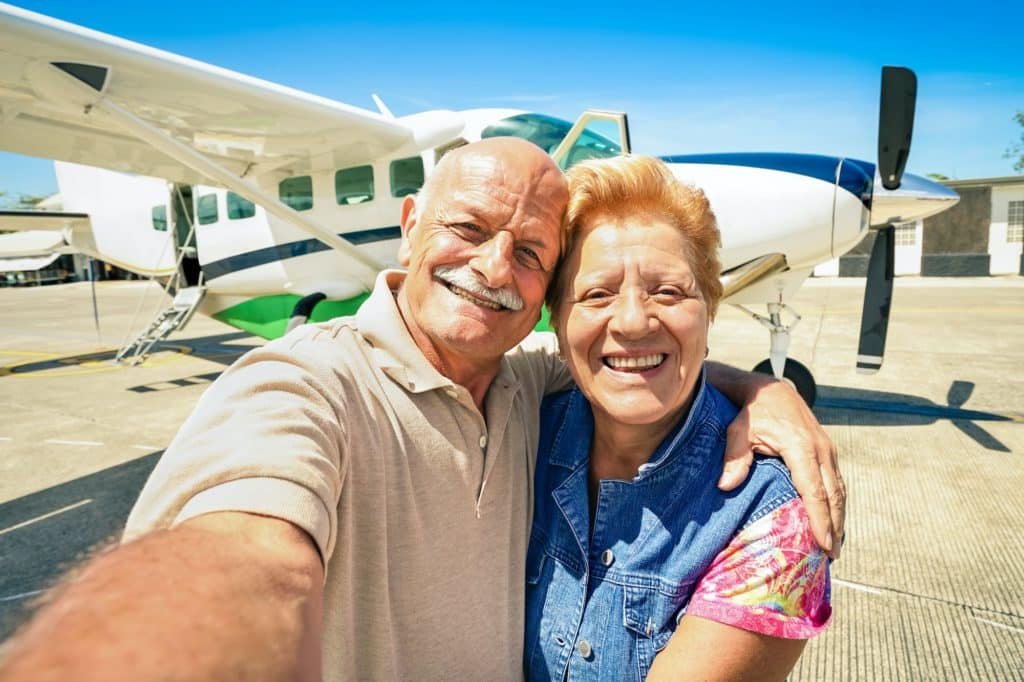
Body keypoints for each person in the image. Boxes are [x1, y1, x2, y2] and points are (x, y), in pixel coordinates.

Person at [0, 138, 843, 681]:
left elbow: (628, 356)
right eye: (466, 228)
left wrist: (763, 389)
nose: (491, 265)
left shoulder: (530, 395)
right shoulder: (303, 384)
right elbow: (252, 557)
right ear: (408, 225)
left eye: (528, 252)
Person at [525, 155, 830, 681]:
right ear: (556, 320)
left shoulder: (774, 519)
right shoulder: (519, 427)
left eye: (668, 291)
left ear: (709, 309)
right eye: (596, 294)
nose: (633, 321)